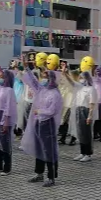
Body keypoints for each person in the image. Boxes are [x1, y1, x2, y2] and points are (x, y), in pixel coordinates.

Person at [21, 56, 63, 187]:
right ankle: (39, 173)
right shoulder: (42, 89)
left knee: (48, 150)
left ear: (51, 79)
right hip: (38, 122)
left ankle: (51, 177)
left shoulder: (55, 94)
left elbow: (52, 111)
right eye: (42, 77)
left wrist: (39, 112)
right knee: (39, 148)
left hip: (47, 124)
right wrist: (26, 67)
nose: (43, 79)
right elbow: (32, 81)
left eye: (45, 77)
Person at [63, 69, 98, 162]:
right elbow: (72, 82)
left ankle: (88, 153)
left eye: (82, 78)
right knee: (80, 133)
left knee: (86, 133)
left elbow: (92, 103)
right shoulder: (79, 87)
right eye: (80, 78)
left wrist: (90, 116)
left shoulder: (91, 89)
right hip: (78, 110)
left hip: (85, 111)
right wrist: (65, 74)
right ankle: (82, 152)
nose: (81, 80)